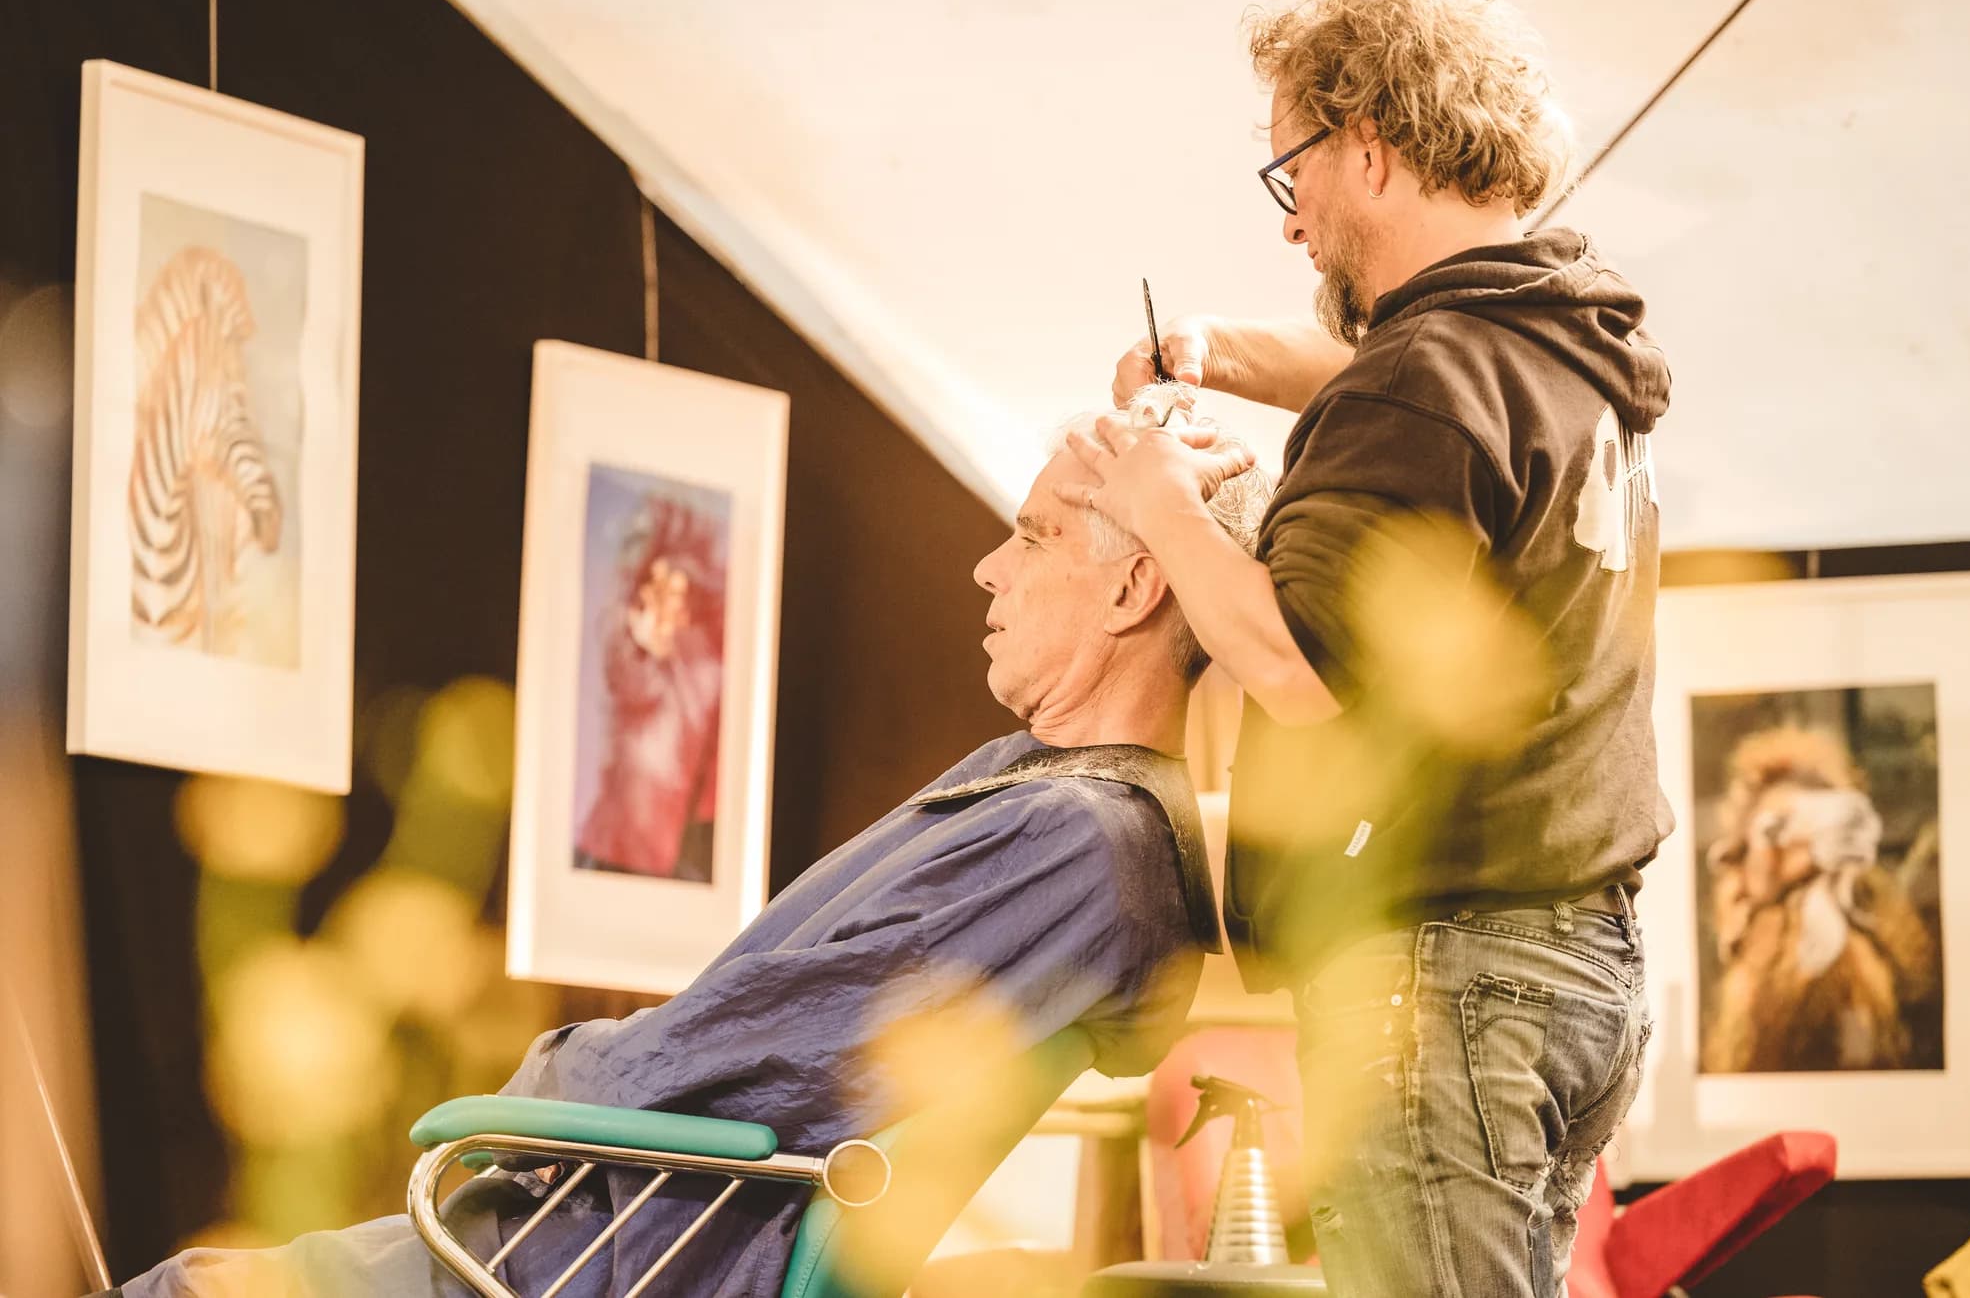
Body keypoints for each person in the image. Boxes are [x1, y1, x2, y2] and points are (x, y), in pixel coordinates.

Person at [114, 405, 1271, 1298]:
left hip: (610, 1253)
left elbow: (751, 1063)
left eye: (1032, 535)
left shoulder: (1072, 841)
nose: (988, 567)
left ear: (1131, 583)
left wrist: (545, 1080)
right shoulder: (1055, 807)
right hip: (606, 1231)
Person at [1064, 0, 1672, 1293]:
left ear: (1371, 151)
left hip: (1451, 981)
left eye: (1295, 175)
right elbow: (1384, 383)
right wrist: (1216, 355)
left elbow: (1296, 667)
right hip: (1584, 978)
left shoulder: (1425, 381)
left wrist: (1161, 502)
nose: (1296, 226)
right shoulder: (1562, 350)